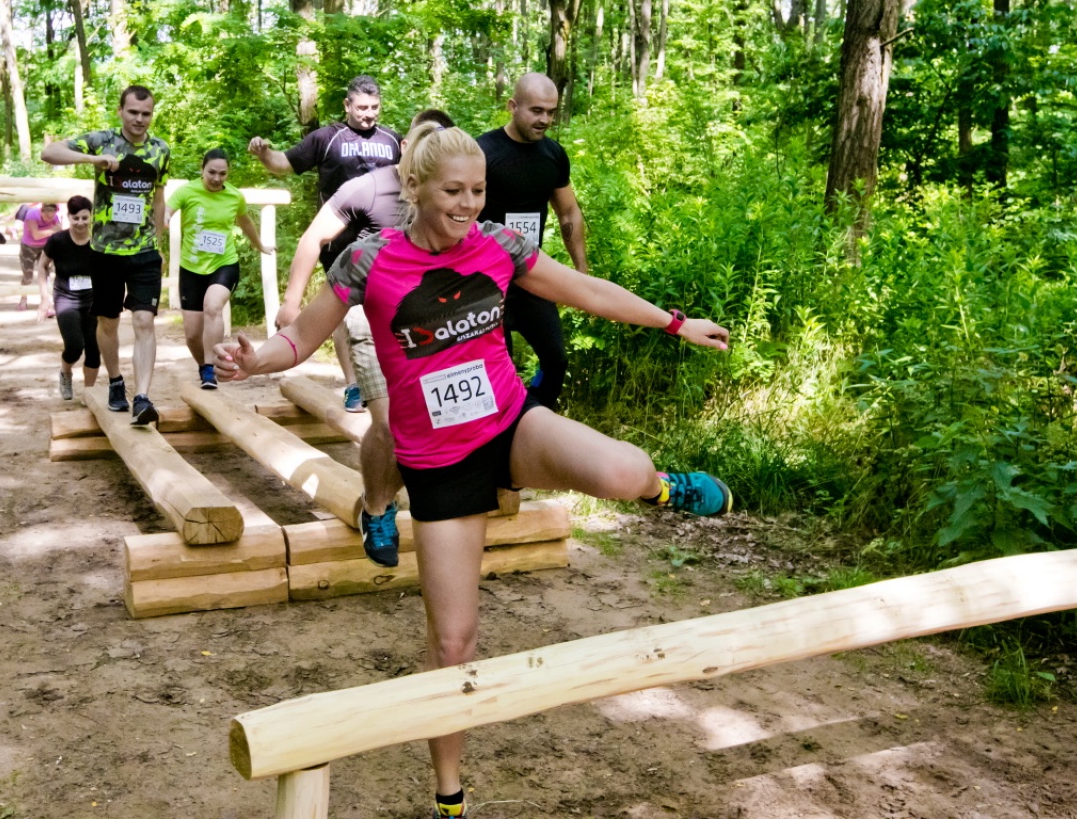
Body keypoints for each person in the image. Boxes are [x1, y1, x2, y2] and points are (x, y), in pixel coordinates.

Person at [214, 123, 732, 819]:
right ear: (415, 188)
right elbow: (297, 339)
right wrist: (252, 360)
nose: (467, 204)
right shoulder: (368, 261)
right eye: (453, 191)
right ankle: (450, 797)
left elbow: (587, 291)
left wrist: (675, 322)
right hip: (438, 466)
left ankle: (667, 487)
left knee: (622, 470)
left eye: (478, 190)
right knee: (453, 644)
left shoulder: (501, 245)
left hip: (509, 425)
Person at [282, 108, 455, 567]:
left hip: (432, 326)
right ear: (406, 147)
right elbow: (314, 238)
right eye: (425, 143)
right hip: (368, 319)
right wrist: (291, 302)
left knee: (441, 421)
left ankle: (428, 499)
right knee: (394, 424)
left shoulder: (454, 194)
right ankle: (377, 510)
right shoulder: (368, 186)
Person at [249, 74, 402, 412]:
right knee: (345, 312)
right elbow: (284, 163)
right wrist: (264, 154)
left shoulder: (393, 140)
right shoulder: (328, 138)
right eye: (362, 107)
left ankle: (383, 381)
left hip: (384, 243)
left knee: (381, 312)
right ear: (347, 105)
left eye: (374, 107)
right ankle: (352, 384)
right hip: (338, 243)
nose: (368, 114)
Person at [41, 85, 170, 427]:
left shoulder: (161, 150)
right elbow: (50, 153)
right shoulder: (102, 140)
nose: (140, 119)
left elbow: (158, 198)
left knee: (144, 321)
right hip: (105, 252)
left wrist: (158, 243)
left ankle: (142, 397)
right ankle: (115, 382)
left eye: (146, 114)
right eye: (133, 112)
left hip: (143, 252)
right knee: (108, 321)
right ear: (121, 111)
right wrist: (92, 160)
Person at [477, 73, 588, 410]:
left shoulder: (553, 155)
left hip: (530, 276)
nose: (545, 120)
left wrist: (580, 267)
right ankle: (504, 433)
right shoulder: (483, 151)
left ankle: (533, 414)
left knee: (556, 359)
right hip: (484, 280)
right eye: (536, 111)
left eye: (551, 112)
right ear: (513, 106)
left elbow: (568, 212)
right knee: (499, 367)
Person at [165, 149, 269, 389]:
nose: (216, 178)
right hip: (191, 268)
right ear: (202, 169)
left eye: (222, 173)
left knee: (213, 307)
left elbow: (246, 223)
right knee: (192, 335)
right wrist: (165, 218)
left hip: (224, 264)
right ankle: (204, 367)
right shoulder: (187, 191)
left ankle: (212, 368)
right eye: (212, 172)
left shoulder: (234, 197)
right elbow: (168, 209)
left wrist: (260, 245)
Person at [36, 195, 100, 400]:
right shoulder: (58, 241)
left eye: (84, 218)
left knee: (93, 348)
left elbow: (111, 270)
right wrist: (45, 298)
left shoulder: (99, 241)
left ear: (91, 217)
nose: (80, 223)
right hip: (66, 298)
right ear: (68, 218)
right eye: (76, 218)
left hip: (93, 300)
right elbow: (42, 266)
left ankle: (89, 394)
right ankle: (65, 371)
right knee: (74, 345)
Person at [18, 202, 63, 311]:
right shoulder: (32, 214)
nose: (49, 218)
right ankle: (23, 298)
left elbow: (58, 233)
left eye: (52, 215)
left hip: (45, 247)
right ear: (41, 211)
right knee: (27, 276)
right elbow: (36, 235)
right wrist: (52, 230)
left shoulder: (55, 217)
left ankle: (46, 301)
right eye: (47, 215)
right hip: (28, 247)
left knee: (46, 274)